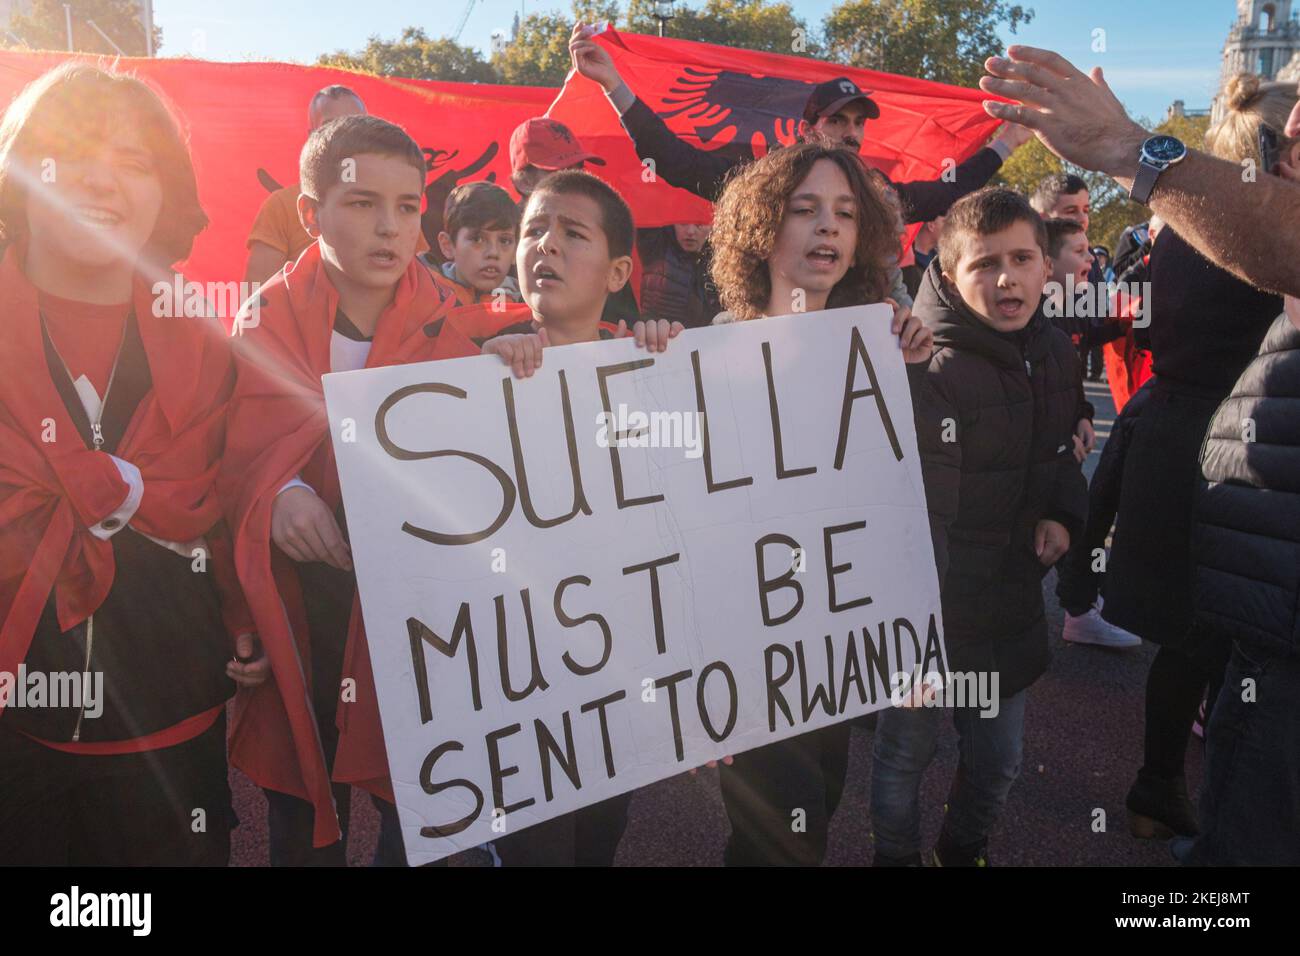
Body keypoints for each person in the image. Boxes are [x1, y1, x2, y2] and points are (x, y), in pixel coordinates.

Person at [0, 63, 265, 865]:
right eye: (70, 150)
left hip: (174, 733)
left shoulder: (217, 346)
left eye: (134, 159)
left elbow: (257, 482)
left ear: (166, 195)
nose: (99, 177)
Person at [220, 114, 463, 865]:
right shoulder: (258, 319)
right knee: (301, 811)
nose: (390, 228)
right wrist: (276, 489)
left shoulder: (463, 323)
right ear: (308, 213)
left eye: (408, 206)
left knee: (417, 814)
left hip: (416, 617)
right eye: (362, 204)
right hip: (302, 609)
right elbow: (219, 457)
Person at [705, 142, 932, 865]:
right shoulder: (705, 351)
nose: (826, 228)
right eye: (804, 210)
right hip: (744, 646)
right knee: (784, 834)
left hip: (833, 642)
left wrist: (918, 375)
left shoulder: (884, 354)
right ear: (763, 228)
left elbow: (903, 498)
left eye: (843, 214)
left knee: (815, 809)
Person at [454, 170, 673, 864]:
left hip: (616, 677)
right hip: (515, 687)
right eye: (533, 232)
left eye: (572, 233)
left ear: (617, 271)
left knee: (598, 840)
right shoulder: (463, 361)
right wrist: (470, 382)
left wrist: (676, 361)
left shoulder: (656, 364)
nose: (544, 245)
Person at [870, 188, 1088, 867]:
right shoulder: (919, 364)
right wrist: (913, 618)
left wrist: (1061, 511)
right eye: (984, 264)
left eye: (1022, 258)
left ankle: (960, 851)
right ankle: (896, 859)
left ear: (1045, 269)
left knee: (999, 762)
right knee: (905, 755)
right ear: (948, 271)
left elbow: (1060, 446)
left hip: (1008, 606)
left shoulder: (1056, 352)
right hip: (923, 616)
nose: (1006, 278)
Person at [568, 21, 1034, 223]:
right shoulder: (768, 181)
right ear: (810, 129)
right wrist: (614, 84)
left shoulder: (877, 193)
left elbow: (947, 192)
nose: (852, 133)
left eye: (859, 123)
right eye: (838, 123)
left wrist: (1009, 142)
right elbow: (674, 162)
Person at [509, 117, 640, 328]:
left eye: (577, 168)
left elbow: (627, 325)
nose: (547, 244)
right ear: (523, 181)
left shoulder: (602, 243)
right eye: (558, 171)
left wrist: (650, 342)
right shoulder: (488, 252)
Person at [243, 85, 367, 285]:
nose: (345, 136)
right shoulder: (281, 206)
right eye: (330, 126)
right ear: (312, 137)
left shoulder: (391, 201)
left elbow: (423, 285)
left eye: (355, 125)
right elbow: (254, 303)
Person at [424, 181, 521, 306]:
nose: (493, 253)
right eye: (477, 239)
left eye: (505, 241)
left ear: (516, 251)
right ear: (447, 245)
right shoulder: (423, 296)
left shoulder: (527, 304)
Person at [635, 221, 719, 328]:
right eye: (682, 223)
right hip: (658, 337)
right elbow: (649, 212)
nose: (690, 231)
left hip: (705, 340)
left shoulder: (725, 261)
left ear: (713, 225)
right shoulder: (656, 246)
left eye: (699, 224)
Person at [902, 215, 945, 299]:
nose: (949, 228)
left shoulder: (939, 259)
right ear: (931, 226)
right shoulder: (908, 267)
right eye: (944, 222)